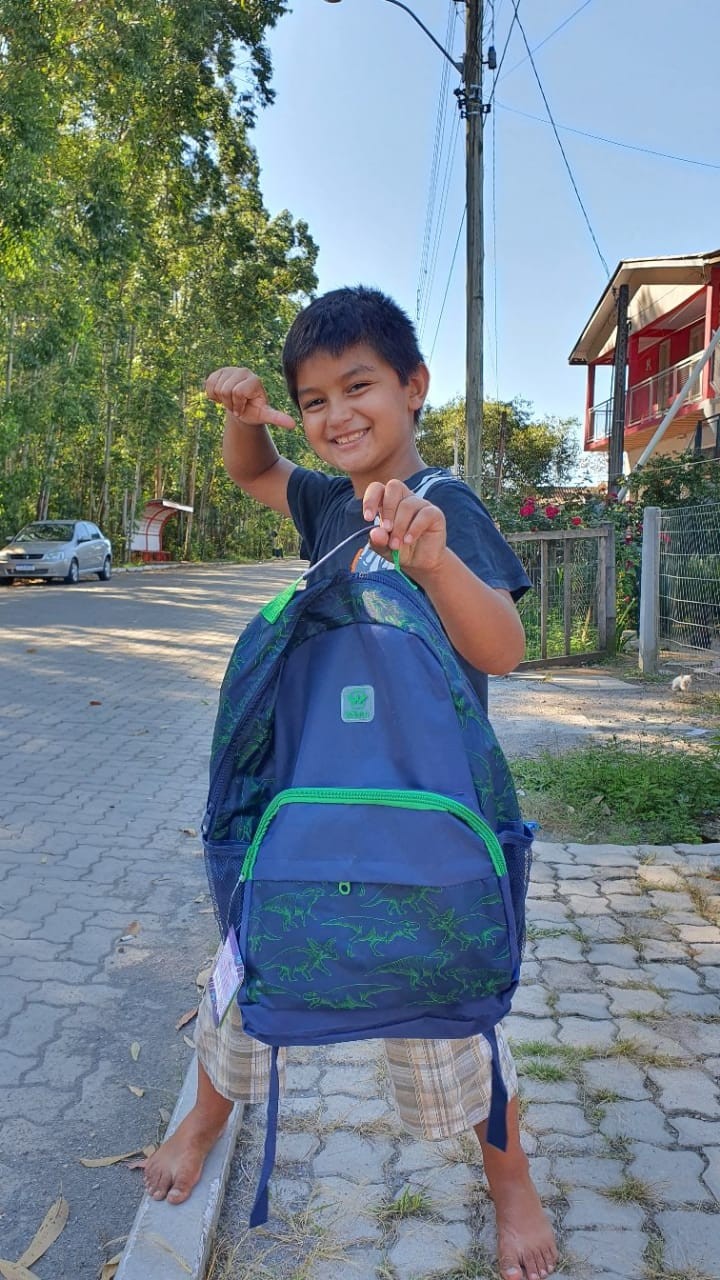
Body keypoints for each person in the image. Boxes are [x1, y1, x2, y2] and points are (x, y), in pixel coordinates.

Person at [142, 287, 558, 1280]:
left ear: (414, 387)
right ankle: (204, 1119)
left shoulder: (446, 504)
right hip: (311, 798)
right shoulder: (331, 501)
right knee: (249, 967)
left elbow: (503, 648)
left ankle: (512, 1187)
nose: (337, 414)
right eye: (314, 399)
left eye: (358, 386)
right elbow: (256, 472)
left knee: (453, 1007)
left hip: (426, 814)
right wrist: (245, 415)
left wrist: (435, 561)